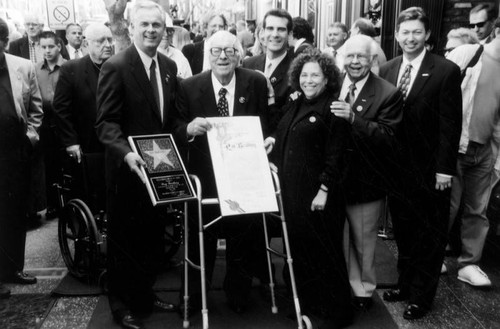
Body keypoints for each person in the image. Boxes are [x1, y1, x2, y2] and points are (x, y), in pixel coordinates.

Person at [174, 30, 270, 316]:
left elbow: (268, 122)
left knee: (241, 236)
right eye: (216, 51)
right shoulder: (189, 86)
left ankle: (238, 294)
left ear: (239, 54)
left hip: (243, 174)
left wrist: (269, 139)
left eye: (229, 50)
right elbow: (176, 126)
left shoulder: (255, 82)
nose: (223, 56)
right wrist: (188, 129)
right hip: (203, 176)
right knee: (199, 239)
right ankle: (191, 297)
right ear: (208, 56)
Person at [95, 2, 178, 328]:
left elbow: (171, 119)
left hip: (159, 170)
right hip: (127, 171)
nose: (150, 31)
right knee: (123, 243)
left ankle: (144, 295)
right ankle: (121, 305)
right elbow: (105, 124)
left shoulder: (169, 67)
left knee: (153, 238)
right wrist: (126, 154)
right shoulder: (116, 66)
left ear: (164, 30)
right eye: (144, 25)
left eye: (156, 25)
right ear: (130, 29)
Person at [379, 7, 462, 320]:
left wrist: (444, 169)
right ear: (397, 35)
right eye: (405, 32)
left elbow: (450, 125)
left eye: (416, 32)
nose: (410, 37)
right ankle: (404, 284)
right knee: (403, 232)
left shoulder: (445, 70)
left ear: (427, 35)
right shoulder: (388, 69)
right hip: (396, 171)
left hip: (430, 172)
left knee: (428, 236)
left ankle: (421, 297)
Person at [265, 48, 353, 329]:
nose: (309, 80)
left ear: (327, 79)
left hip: (318, 195)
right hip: (293, 194)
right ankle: (308, 303)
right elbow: (285, 135)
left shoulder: (333, 108)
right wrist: (272, 144)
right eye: (304, 74)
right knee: (302, 252)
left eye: (316, 75)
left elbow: (336, 154)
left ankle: (338, 312)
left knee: (326, 253)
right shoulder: (295, 103)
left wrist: (324, 189)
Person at [330, 34, 403, 311]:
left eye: (361, 56)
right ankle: (335, 285)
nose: (355, 61)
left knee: (362, 242)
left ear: (372, 59)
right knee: (332, 238)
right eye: (350, 56)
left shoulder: (388, 93)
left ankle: (362, 292)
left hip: (365, 181)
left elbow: (387, 137)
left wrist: (353, 118)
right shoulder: (330, 83)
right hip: (331, 179)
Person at [444, 17, 500, 288]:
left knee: (478, 210)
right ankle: (432, 256)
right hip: (456, 146)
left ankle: (469, 264)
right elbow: (441, 94)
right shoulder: (468, 52)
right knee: (446, 206)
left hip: (485, 149)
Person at [0, 17, 42, 292]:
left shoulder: (23, 67)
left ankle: (12, 269)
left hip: (15, 153)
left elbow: (36, 108)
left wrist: (29, 138)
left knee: (14, 214)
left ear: (4, 42)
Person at [242, 8, 294, 131]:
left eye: (281, 29)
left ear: (290, 35)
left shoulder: (296, 70)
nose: (275, 34)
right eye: (270, 28)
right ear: (263, 33)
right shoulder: (248, 64)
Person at [35, 31, 66, 219]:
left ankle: (70, 201)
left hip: (64, 121)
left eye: (50, 46)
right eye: (43, 47)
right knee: (49, 164)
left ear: (59, 46)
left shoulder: (69, 67)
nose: (47, 50)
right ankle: (54, 204)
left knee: (66, 163)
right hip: (45, 122)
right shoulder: (36, 69)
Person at [158, 14, 192, 79]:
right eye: (162, 31)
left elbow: (189, 82)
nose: (166, 34)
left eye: (169, 31)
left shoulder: (179, 56)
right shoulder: (148, 54)